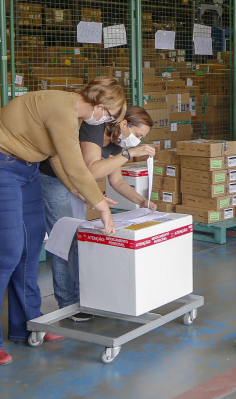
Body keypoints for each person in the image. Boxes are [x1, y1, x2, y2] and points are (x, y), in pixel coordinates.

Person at [0, 78, 127, 366]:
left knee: (31, 245)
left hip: (24, 168)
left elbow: (57, 157)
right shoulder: (61, 108)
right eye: (108, 116)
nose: (105, 122)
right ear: (98, 107)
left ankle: (27, 325)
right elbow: (74, 163)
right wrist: (100, 205)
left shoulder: (69, 111)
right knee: (5, 253)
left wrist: (74, 189)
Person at [40, 106, 158, 322]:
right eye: (138, 135)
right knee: (65, 238)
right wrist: (129, 153)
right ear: (124, 124)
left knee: (76, 237)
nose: (138, 141)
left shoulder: (117, 142)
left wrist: (142, 201)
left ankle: (78, 296)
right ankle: (68, 303)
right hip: (54, 180)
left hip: (78, 185)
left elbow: (117, 181)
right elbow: (92, 170)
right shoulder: (94, 128)